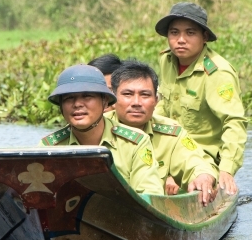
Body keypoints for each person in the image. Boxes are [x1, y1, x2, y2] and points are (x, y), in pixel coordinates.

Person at [154, 2, 247, 195]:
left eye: (190, 33)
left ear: (204, 37)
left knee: (200, 189)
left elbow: (234, 122)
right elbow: (161, 107)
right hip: (168, 151)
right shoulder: (166, 60)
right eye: (174, 33)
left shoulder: (217, 73)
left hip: (204, 158)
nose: (180, 40)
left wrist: (227, 170)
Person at [39, 64, 164, 195]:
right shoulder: (49, 147)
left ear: (105, 101)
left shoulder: (135, 142)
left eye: (87, 96)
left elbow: (150, 196)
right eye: (69, 98)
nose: (77, 104)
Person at [107, 60, 218, 206]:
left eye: (145, 95)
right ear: (113, 99)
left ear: (156, 100)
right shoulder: (98, 127)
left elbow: (194, 160)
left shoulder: (171, 132)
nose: (136, 102)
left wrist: (203, 177)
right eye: (127, 94)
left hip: (153, 211)